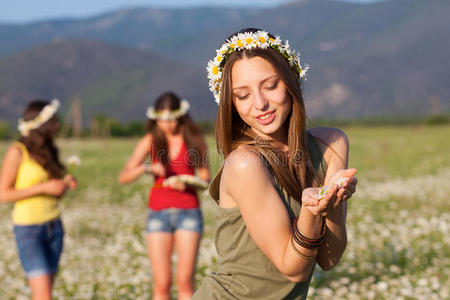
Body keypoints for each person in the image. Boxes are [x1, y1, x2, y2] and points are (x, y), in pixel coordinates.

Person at [192, 28, 358, 299]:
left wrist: (334, 202)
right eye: (242, 95)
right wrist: (312, 211)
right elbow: (293, 269)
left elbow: (329, 260)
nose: (260, 104)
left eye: (270, 85)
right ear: (230, 104)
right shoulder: (245, 164)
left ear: (291, 81)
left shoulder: (331, 144)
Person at [119, 92, 210, 300]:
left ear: (180, 116)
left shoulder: (195, 140)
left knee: (185, 281)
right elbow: (124, 176)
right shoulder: (150, 140)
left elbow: (205, 180)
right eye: (162, 119)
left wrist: (186, 183)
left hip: (189, 212)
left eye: (171, 119)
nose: (167, 124)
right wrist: (146, 168)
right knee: (162, 283)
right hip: (158, 213)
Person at [0, 99, 77, 300]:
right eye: (53, 121)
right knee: (43, 295)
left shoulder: (49, 151)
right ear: (40, 123)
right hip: (29, 230)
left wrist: (63, 185)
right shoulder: (18, 151)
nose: (57, 125)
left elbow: (52, 191)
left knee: (46, 293)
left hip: (54, 226)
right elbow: (3, 194)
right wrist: (42, 187)